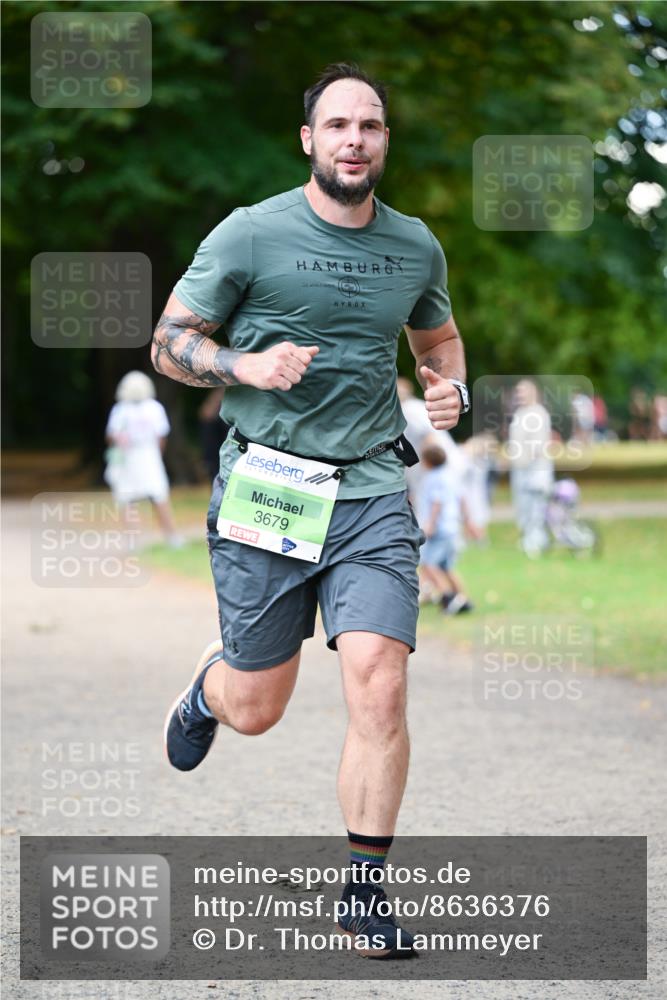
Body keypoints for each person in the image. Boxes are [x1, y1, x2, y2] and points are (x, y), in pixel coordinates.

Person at [151, 63, 468, 958]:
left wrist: (449, 387)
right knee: (258, 707)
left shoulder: (415, 246)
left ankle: (363, 890)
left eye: (369, 126)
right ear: (309, 139)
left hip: (370, 488)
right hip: (269, 487)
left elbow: (435, 336)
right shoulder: (250, 234)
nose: (353, 140)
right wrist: (243, 367)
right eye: (337, 125)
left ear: (383, 141)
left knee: (380, 678)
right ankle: (209, 690)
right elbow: (170, 341)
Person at [104, 370, 183, 546]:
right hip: (149, 456)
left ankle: (134, 541)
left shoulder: (121, 409)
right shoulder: (154, 408)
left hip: (131, 456)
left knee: (128, 499)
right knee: (158, 495)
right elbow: (162, 436)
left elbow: (111, 435)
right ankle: (172, 537)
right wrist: (157, 455)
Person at [416, 438, 474, 614]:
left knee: (429, 564)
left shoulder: (433, 478)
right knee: (446, 567)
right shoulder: (450, 476)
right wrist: (466, 520)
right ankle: (464, 598)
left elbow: (437, 502)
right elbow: (462, 499)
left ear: (427, 462)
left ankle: (448, 598)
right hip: (451, 527)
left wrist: (430, 524)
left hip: (439, 529)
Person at [508, 379, 554, 558]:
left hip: (535, 469)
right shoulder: (520, 413)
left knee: (536, 507)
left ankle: (536, 542)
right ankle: (529, 538)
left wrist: (528, 461)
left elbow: (538, 445)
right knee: (523, 507)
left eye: (523, 392)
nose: (520, 396)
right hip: (520, 469)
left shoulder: (539, 413)